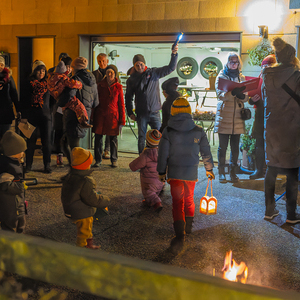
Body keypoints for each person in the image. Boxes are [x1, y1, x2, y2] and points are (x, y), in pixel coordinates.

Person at [157, 97, 214, 254]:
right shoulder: (198, 130)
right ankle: (188, 227)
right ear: (189, 111)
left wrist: (161, 172)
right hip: (191, 172)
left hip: (174, 173)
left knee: (177, 202)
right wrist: (209, 169)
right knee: (189, 199)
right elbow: (206, 152)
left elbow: (163, 154)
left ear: (173, 111)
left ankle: (179, 234)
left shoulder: (168, 131)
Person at [262, 37, 300, 223]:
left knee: (272, 168)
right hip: (292, 128)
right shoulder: (297, 75)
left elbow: (265, 100)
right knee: (292, 171)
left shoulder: (267, 75)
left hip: (272, 127)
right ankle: (291, 215)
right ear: (293, 57)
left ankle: (269, 210)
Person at [125, 45, 178, 154]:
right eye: (137, 65)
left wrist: (174, 54)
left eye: (141, 64)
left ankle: (159, 159)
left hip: (155, 112)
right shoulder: (131, 80)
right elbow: (128, 97)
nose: (139, 66)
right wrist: (130, 112)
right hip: (141, 113)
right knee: (141, 137)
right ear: (134, 65)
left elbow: (170, 68)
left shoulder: (154, 73)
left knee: (159, 135)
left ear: (144, 64)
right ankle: (142, 159)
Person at [61, 147, 110, 249]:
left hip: (70, 207)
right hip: (82, 212)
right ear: (86, 165)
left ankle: (88, 245)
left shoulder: (70, 176)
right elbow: (92, 199)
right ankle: (82, 249)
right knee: (84, 232)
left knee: (86, 229)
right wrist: (105, 200)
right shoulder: (86, 180)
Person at [215, 53, 249, 183]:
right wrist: (232, 93)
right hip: (225, 116)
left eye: (236, 62)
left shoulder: (242, 77)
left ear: (238, 63)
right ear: (227, 63)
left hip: (237, 118)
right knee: (222, 147)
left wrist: (242, 96)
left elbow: (246, 96)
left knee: (235, 148)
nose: (234, 64)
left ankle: (233, 173)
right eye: (231, 61)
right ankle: (221, 173)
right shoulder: (221, 76)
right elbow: (220, 95)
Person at [58, 56, 99, 165]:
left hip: (73, 116)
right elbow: (96, 102)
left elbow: (67, 96)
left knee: (72, 148)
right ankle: (73, 171)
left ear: (75, 67)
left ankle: (75, 173)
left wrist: (59, 101)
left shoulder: (75, 79)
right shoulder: (93, 80)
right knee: (68, 143)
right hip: (84, 117)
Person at [21, 60, 54, 173]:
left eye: (43, 70)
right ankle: (28, 165)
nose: (41, 73)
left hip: (46, 115)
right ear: (34, 71)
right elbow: (24, 101)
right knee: (31, 142)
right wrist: (24, 116)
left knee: (47, 142)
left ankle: (47, 165)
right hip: (32, 115)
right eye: (39, 70)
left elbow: (53, 100)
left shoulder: (48, 84)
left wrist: (51, 111)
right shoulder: (27, 83)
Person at [248, 54, 276, 180]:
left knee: (273, 145)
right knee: (259, 144)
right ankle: (259, 170)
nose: (266, 67)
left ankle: (272, 172)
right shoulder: (257, 80)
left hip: (274, 116)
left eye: (269, 64)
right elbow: (250, 100)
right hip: (260, 114)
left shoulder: (279, 80)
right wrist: (252, 100)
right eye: (264, 65)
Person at [92, 65, 125, 168]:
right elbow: (95, 102)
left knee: (113, 139)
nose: (109, 74)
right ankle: (98, 160)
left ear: (115, 74)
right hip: (100, 115)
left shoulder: (118, 87)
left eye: (111, 72)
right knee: (98, 138)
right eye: (108, 72)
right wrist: (92, 116)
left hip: (113, 116)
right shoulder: (99, 85)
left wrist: (122, 120)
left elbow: (121, 104)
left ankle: (114, 159)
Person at [47, 60, 92, 128]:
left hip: (58, 99)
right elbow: (73, 83)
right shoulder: (63, 78)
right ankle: (83, 121)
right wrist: (80, 84)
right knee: (79, 106)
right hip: (67, 99)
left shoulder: (50, 78)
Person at [129, 129, 164, 212]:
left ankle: (157, 203)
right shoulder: (162, 154)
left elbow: (134, 166)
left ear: (147, 141)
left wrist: (131, 165)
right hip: (160, 181)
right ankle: (150, 201)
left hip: (149, 182)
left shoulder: (146, 154)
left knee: (148, 192)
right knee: (153, 193)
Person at [0, 130, 27, 233]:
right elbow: (4, 185)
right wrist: (20, 187)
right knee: (10, 228)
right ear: (13, 152)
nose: (23, 153)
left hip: (17, 203)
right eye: (22, 151)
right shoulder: (8, 167)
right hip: (10, 207)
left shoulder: (14, 162)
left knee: (21, 223)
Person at [92, 53, 111, 160]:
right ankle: (98, 155)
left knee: (109, 130)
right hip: (98, 105)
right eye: (99, 61)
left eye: (103, 61)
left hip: (109, 105)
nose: (102, 63)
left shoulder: (112, 72)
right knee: (98, 131)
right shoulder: (94, 74)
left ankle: (107, 150)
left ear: (107, 61)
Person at [0, 55, 20, 139]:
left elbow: (13, 93)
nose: (0, 67)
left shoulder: (8, 78)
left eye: (1, 64)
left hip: (6, 112)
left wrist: (18, 109)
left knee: (5, 137)